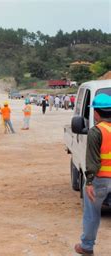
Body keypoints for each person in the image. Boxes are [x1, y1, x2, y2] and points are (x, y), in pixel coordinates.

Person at [75, 93, 111, 255]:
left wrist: (89, 182)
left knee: (92, 214)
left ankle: (87, 247)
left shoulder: (96, 132)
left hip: (100, 181)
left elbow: (93, 160)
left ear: (96, 112)